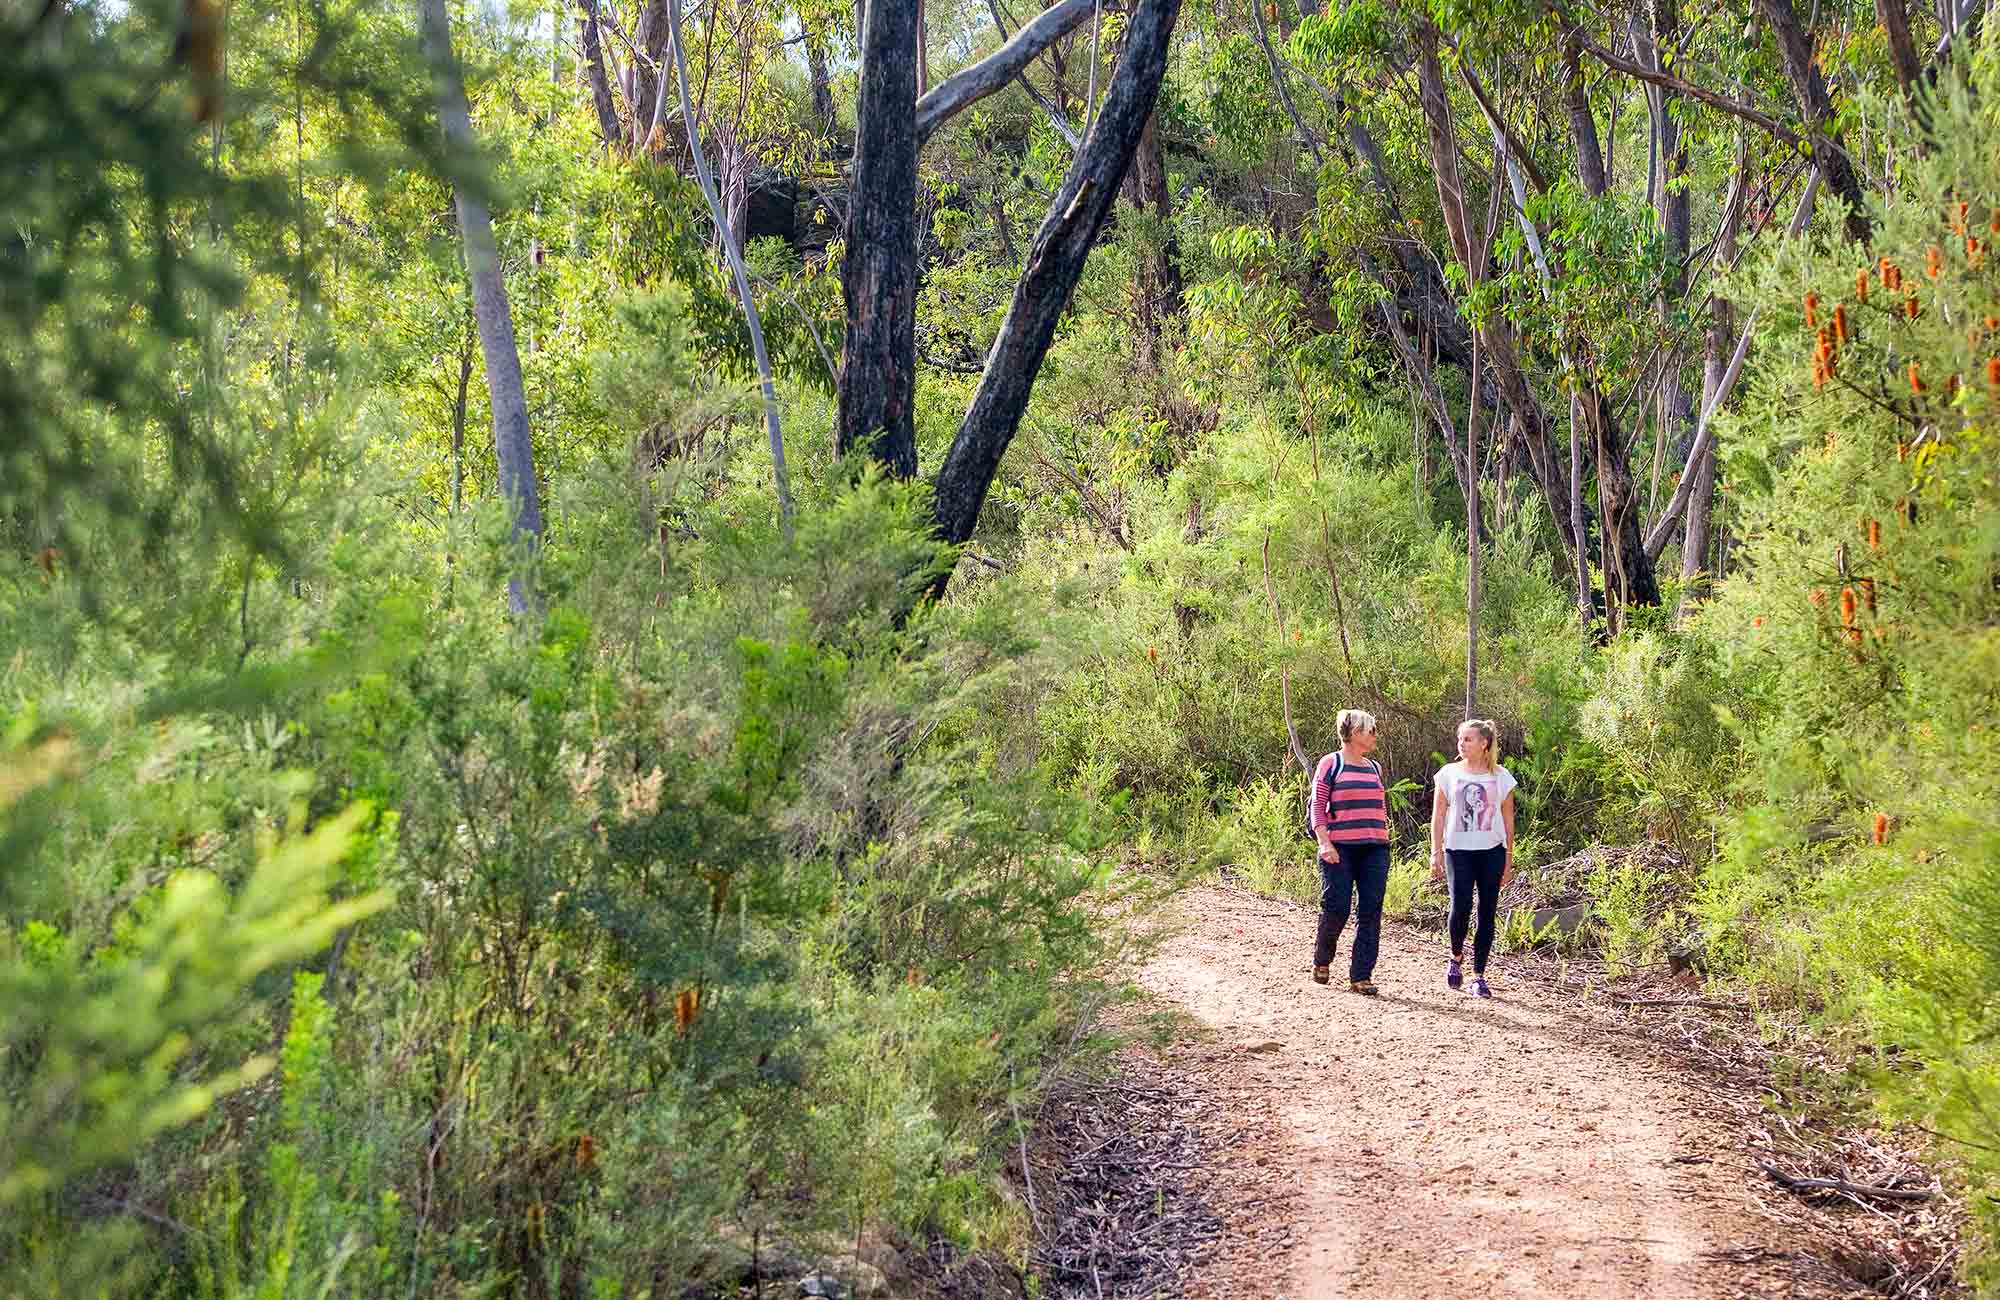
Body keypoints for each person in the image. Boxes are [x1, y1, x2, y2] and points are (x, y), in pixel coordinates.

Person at [1428, 719, 1518, 998]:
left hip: (1491, 851)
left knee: (1487, 911)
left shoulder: (1502, 777)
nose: (1462, 743)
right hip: (1458, 850)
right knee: (1460, 906)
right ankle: (1456, 958)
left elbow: (1508, 818)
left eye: (1468, 739)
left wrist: (1508, 858)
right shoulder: (1448, 774)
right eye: (1460, 739)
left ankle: (1479, 975)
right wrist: (1436, 852)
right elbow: (1439, 814)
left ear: (1484, 743)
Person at [1309, 709, 1392, 996]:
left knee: (1371, 911)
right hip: (1340, 848)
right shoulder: (1331, 763)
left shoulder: (1375, 767)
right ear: (1354, 733)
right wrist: (1324, 842)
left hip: (1376, 849)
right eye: (1370, 730)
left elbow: (1378, 807)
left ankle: (1361, 976)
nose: (1374, 735)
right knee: (1337, 907)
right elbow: (1317, 806)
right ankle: (1322, 959)